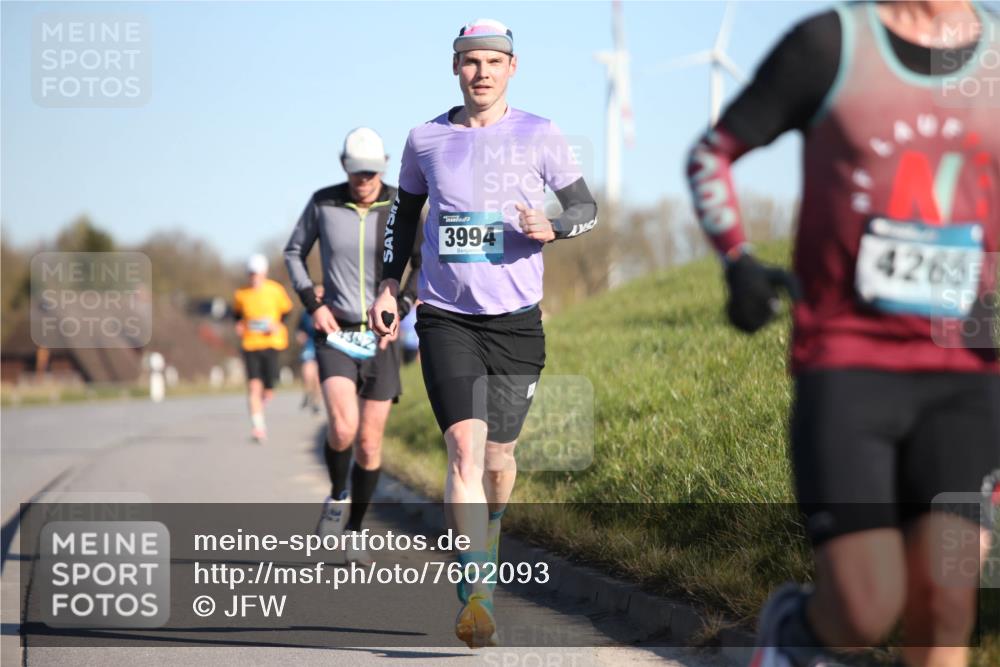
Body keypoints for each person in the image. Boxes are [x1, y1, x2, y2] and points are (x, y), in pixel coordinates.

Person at [685, 2, 999, 665]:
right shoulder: (830, 45)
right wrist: (738, 261)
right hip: (849, 361)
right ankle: (793, 631)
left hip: (969, 369)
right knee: (865, 604)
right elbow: (712, 155)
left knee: (947, 594)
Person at [368, 18, 599, 648]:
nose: (482, 72)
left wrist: (552, 226)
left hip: (517, 322)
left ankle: (490, 532)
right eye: (471, 62)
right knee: (465, 452)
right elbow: (403, 218)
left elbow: (585, 208)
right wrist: (390, 286)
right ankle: (474, 594)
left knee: (499, 461)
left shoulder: (541, 134)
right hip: (445, 317)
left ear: (512, 68)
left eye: (494, 62)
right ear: (455, 68)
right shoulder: (425, 140)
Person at [284, 127, 421, 566]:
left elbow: (422, 264)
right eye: (357, 172)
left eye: (373, 172)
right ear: (344, 166)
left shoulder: (401, 203)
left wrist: (401, 306)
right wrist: (311, 303)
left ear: (383, 167)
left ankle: (356, 530)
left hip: (382, 336)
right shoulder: (324, 201)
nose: (365, 180)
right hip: (337, 330)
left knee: (369, 443)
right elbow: (293, 252)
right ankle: (337, 495)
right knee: (342, 427)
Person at [233, 253, 293, 443]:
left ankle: (266, 394)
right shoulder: (241, 294)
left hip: (272, 342)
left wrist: (277, 324)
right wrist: (239, 325)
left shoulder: (275, 290)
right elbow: (236, 315)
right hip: (250, 344)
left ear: (264, 273)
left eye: (257, 273)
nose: (254, 277)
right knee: (253, 386)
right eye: (251, 274)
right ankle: (258, 427)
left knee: (269, 386)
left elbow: (287, 312)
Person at [296, 285, 324, 414]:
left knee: (318, 378)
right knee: (307, 373)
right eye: (316, 293)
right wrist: (300, 335)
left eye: (321, 293)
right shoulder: (306, 312)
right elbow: (299, 329)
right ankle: (307, 393)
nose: (318, 295)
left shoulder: (331, 309)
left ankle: (316, 402)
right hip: (310, 345)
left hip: (324, 344)